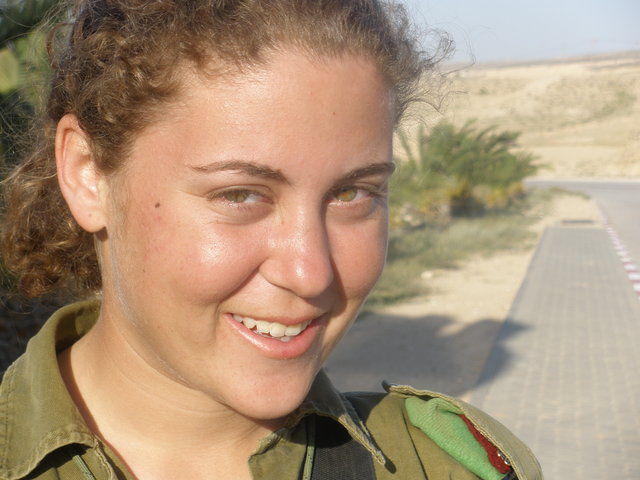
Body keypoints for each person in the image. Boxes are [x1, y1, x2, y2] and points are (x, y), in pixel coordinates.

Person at [0, 1, 541, 479]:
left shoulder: (444, 467)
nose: (311, 273)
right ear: (87, 174)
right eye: (240, 195)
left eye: (352, 194)